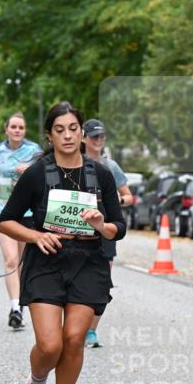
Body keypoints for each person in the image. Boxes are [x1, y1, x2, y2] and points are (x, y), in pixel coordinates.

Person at [0, 102, 126, 384]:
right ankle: (36, 383)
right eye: (59, 130)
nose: (67, 135)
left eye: (73, 128)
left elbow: (118, 226)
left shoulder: (101, 174)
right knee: (50, 343)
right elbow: (6, 221)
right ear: (50, 136)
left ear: (82, 133)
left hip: (88, 263)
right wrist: (36, 236)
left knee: (74, 338)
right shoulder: (38, 173)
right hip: (47, 262)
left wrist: (100, 224)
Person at [0, 112, 43, 329]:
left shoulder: (34, 151)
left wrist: (30, 169)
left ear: (25, 130)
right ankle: (15, 308)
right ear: (6, 129)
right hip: (3, 210)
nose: (17, 130)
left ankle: (20, 302)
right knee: (10, 260)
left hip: (27, 213)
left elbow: (44, 169)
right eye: (14, 127)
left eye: (21, 127)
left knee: (22, 262)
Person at [81, 119, 133, 349]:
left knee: (102, 284)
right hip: (78, 230)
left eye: (101, 136)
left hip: (106, 230)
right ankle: (75, 327)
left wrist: (113, 200)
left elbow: (129, 196)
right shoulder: (75, 164)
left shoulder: (110, 166)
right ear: (84, 138)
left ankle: (91, 330)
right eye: (94, 136)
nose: (98, 140)